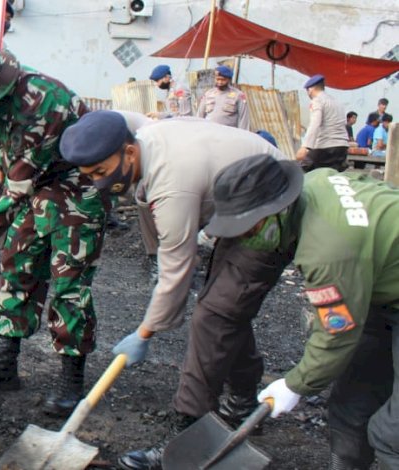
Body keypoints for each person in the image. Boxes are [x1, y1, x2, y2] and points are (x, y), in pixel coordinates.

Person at [59, 111, 294, 470]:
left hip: (273, 204)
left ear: (129, 152)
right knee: (226, 306)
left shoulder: (171, 182)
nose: (99, 183)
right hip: (242, 196)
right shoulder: (141, 136)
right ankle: (244, 401)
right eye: (90, 176)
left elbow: (177, 267)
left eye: (102, 173)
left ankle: (187, 426)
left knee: (213, 315)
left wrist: (145, 331)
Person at [0, 40, 108, 418]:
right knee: (18, 264)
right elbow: (8, 144)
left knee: (68, 283)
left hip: (79, 190)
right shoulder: (5, 97)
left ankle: (71, 381)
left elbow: (16, 192)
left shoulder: (42, 105)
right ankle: (4, 366)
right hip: (39, 184)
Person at [206, 155, 399, 470]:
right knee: (350, 407)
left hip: (374, 280)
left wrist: (296, 383)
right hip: (382, 289)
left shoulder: (328, 251)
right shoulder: (315, 183)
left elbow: (337, 334)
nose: (245, 238)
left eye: (250, 227)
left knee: (392, 436)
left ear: (278, 210)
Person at [296, 75, 349, 172]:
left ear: (311, 89)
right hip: (342, 147)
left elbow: (314, 124)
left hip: (325, 146)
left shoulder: (317, 101)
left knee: (301, 171)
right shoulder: (337, 102)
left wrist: (305, 147)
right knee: (333, 176)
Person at [197, 65, 250, 130]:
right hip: (209, 133)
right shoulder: (208, 94)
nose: (220, 82)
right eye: (218, 79)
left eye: (223, 80)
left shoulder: (238, 95)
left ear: (229, 79)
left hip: (228, 135)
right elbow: (200, 116)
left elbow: (244, 118)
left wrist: (243, 136)